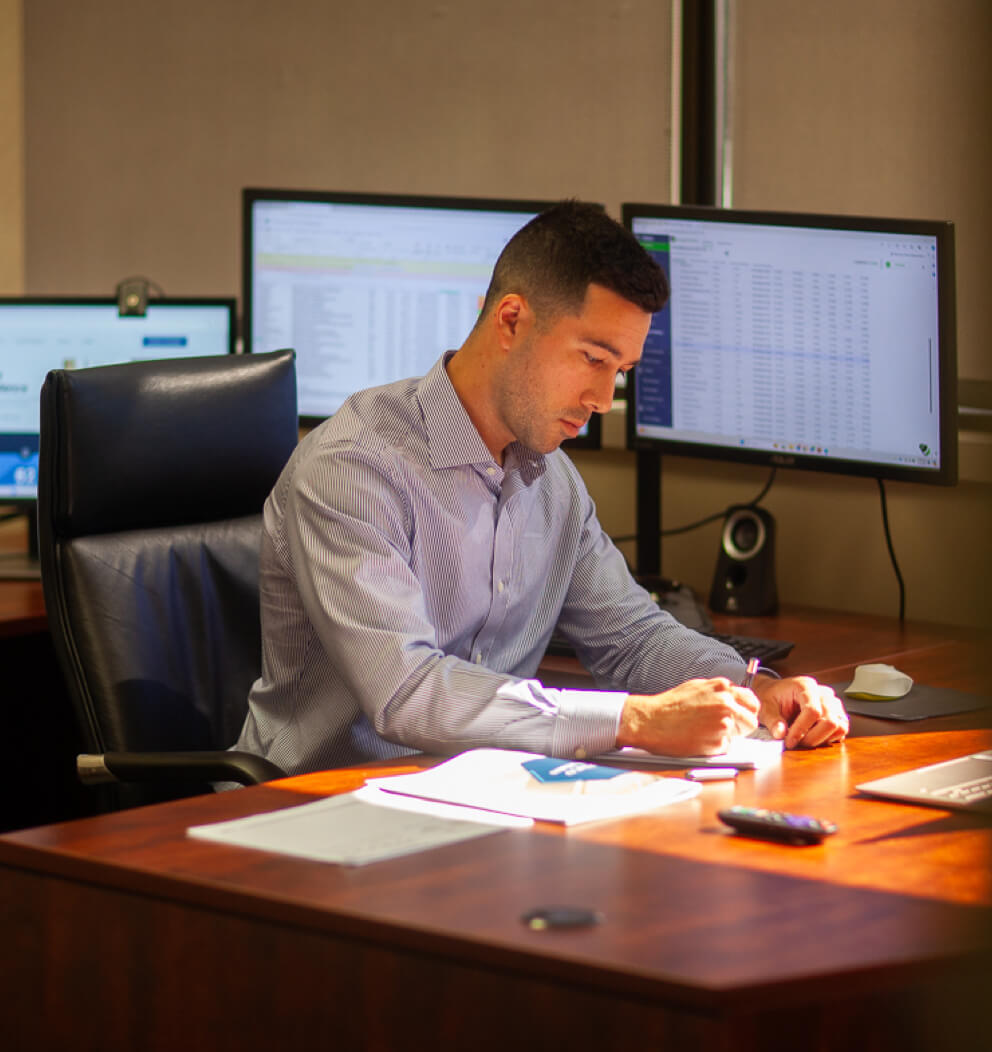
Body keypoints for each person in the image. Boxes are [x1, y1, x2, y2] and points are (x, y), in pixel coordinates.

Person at [234, 200, 848, 776]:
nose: (604, 400)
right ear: (511, 320)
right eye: (592, 359)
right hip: (317, 811)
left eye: (621, 372)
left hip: (474, 803)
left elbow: (631, 636)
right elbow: (407, 692)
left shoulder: (551, 481)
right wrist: (633, 720)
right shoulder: (355, 466)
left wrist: (757, 690)